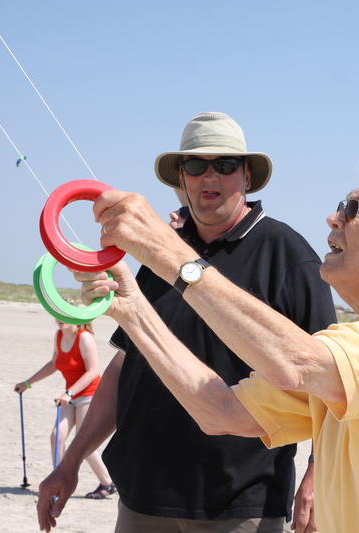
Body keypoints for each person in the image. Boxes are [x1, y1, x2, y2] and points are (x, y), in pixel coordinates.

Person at [44, 152, 359, 532]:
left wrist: (166, 250)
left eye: (354, 210)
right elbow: (221, 411)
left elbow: (296, 361)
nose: (332, 219)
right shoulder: (355, 348)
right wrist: (133, 311)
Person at [38, 112, 335, 533]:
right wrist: (70, 462)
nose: (209, 175)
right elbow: (125, 367)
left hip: (239, 503)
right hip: (143, 496)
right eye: (196, 165)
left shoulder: (286, 254)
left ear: (247, 176)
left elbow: (328, 381)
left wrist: (317, 475)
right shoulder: (161, 253)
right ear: (181, 178)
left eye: (225, 165)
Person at [14, 319, 115, 499]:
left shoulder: (84, 337)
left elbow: (93, 371)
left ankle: (107, 482)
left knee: (84, 441)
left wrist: (69, 392)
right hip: (70, 396)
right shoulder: (59, 336)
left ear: (74, 316)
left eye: (64, 315)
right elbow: (54, 363)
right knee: (56, 436)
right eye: (57, 315)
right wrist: (28, 383)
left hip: (89, 394)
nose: (59, 320)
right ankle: (58, 483)